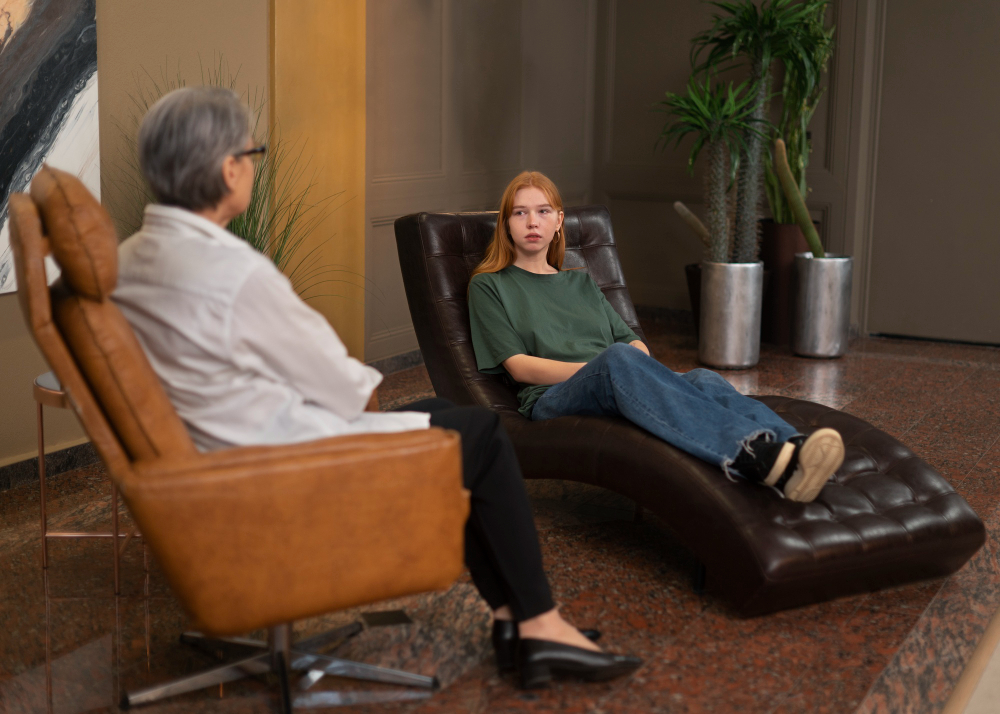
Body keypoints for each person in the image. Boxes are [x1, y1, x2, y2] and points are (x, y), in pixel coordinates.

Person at [111, 87, 640, 690]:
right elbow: (346, 388)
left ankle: (510, 619)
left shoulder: (129, 258)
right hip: (276, 469)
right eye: (252, 155)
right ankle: (539, 624)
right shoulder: (233, 272)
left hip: (215, 460)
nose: (253, 168)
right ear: (229, 168)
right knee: (483, 434)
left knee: (443, 411)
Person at [468, 171, 845, 502]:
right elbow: (518, 368)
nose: (532, 221)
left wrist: (622, 366)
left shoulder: (580, 282)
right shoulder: (489, 286)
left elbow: (633, 342)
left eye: (543, 211)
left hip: (614, 376)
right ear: (506, 224)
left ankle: (795, 449)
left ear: (559, 221)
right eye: (520, 213)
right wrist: (601, 369)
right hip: (553, 397)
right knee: (618, 359)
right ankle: (752, 456)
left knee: (703, 378)